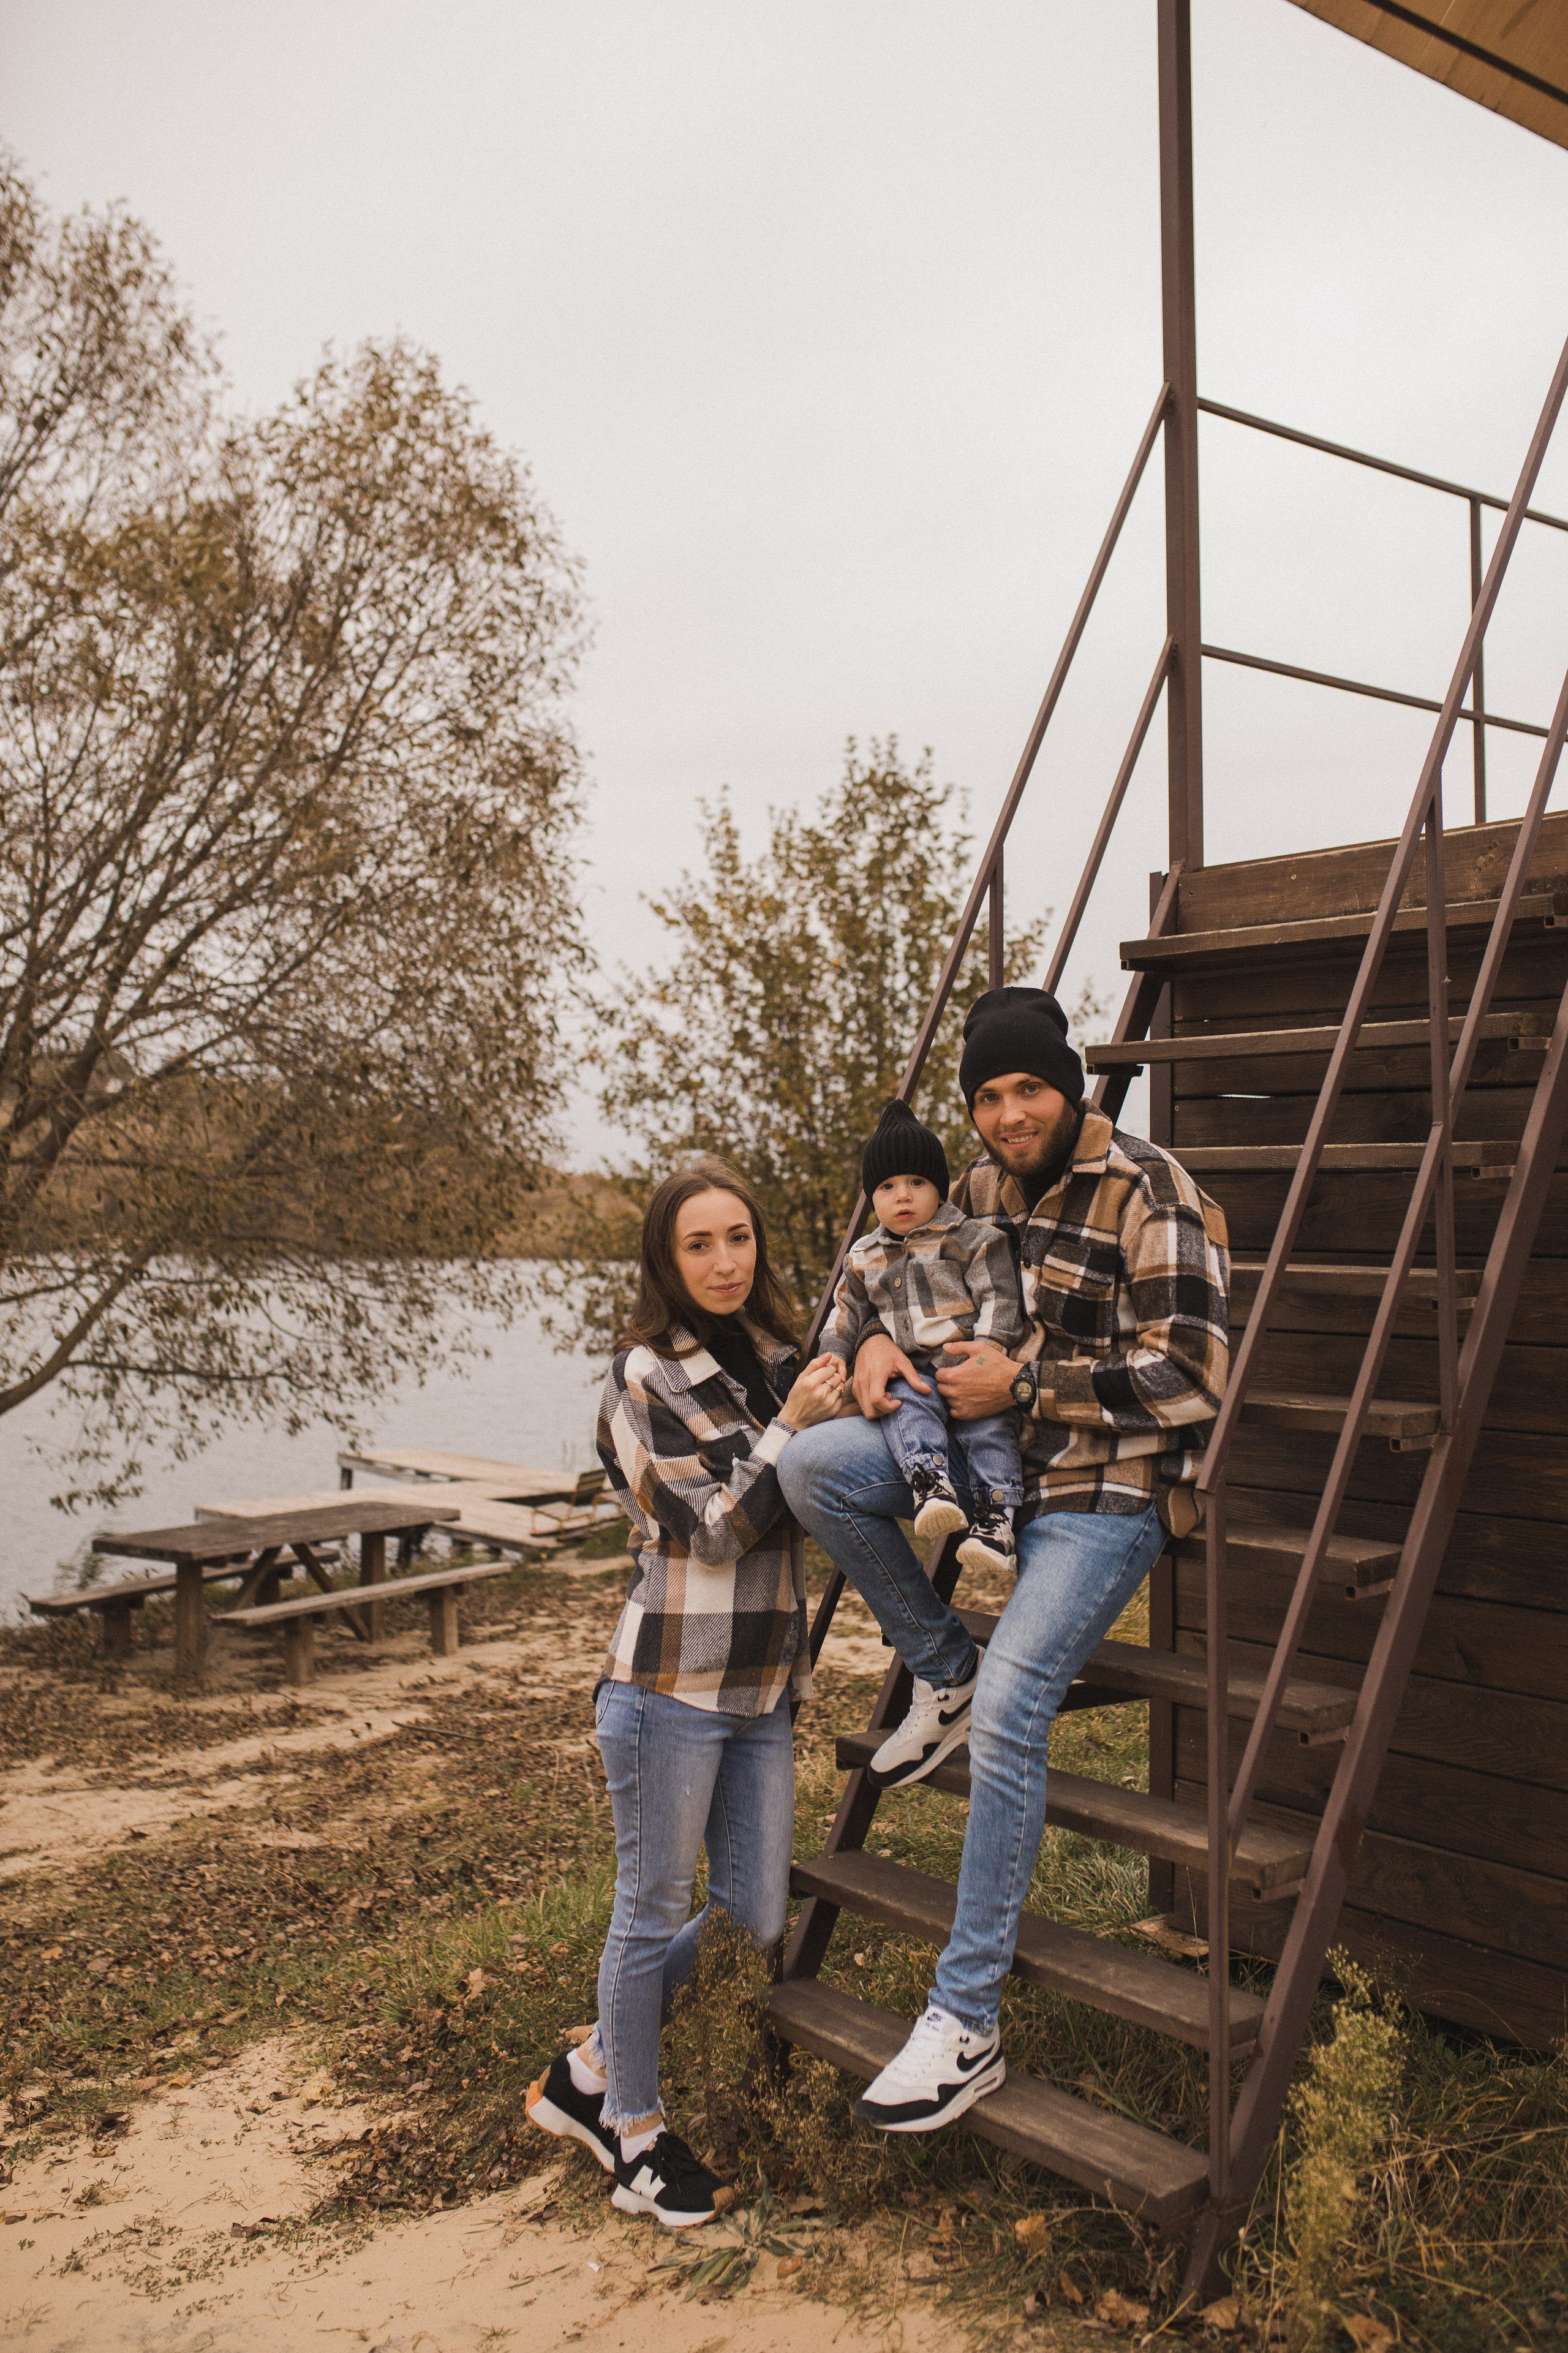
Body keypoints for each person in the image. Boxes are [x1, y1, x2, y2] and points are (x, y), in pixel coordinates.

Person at [779, 984, 1229, 2134]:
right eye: (988, 1095)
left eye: (1029, 1088)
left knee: (1024, 1696)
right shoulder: (968, 1187)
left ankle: (965, 2019)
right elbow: (863, 1278)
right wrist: (874, 1340)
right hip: (986, 1471)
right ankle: (941, 1662)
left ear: (1068, 1083)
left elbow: (1193, 1378)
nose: (1010, 1114)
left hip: (1106, 1488)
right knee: (815, 1467)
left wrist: (1029, 1386)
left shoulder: (1150, 1187)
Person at [526, 1158, 844, 2228]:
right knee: (649, 1909)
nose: (723, 1260)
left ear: (761, 1246)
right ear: (666, 1258)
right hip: (668, 1687)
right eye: (698, 1243)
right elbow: (710, 1529)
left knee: (753, 1910)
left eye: (739, 1237)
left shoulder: (781, 1357)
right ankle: (638, 2139)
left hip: (763, 1690)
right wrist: (796, 1429)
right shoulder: (642, 1377)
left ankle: (594, 2067)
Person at [820, 1095, 1025, 1578]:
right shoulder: (864, 1254)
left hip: (966, 1360)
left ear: (941, 1187)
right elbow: (846, 1313)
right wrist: (834, 1360)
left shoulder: (969, 1239)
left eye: (917, 1182)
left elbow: (1000, 1296)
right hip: (911, 1369)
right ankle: (930, 1483)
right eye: (888, 1186)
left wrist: (989, 1352)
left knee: (990, 1430)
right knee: (902, 1406)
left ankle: (998, 1522)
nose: (903, 1196)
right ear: (872, 1197)